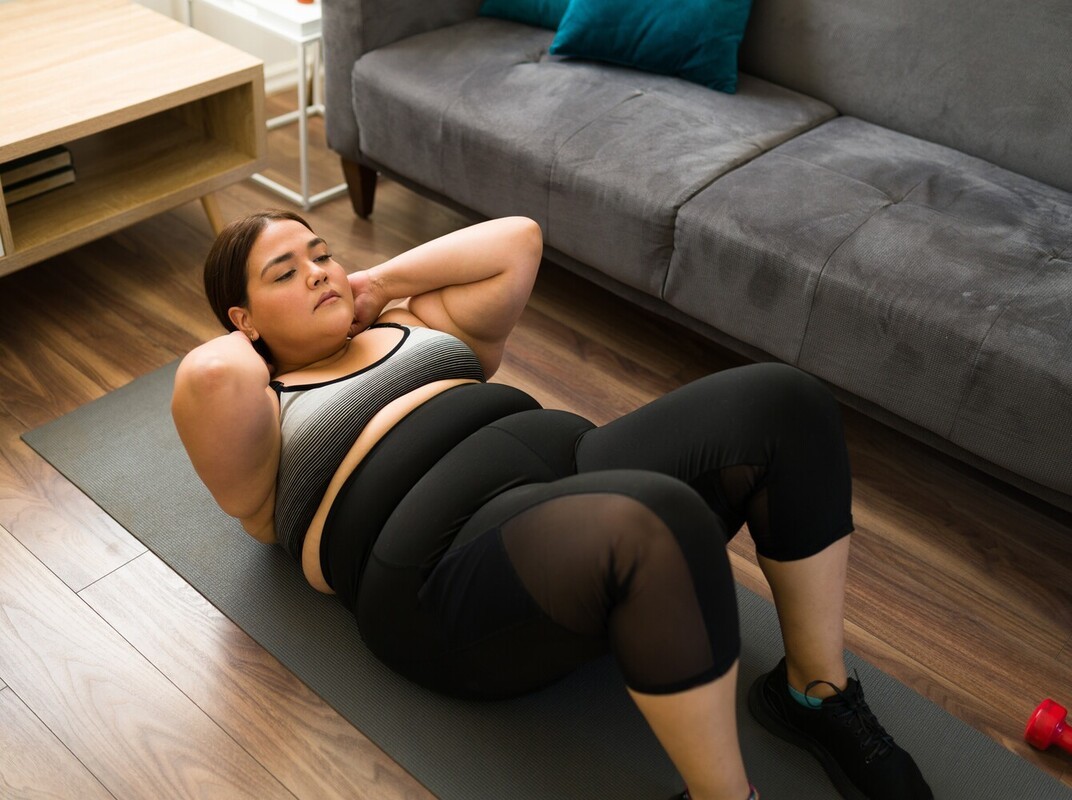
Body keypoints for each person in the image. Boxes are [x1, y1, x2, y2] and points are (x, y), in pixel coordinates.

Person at [172, 210, 932, 800]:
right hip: (432, 566)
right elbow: (209, 373)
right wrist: (268, 338)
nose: (318, 272)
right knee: (654, 519)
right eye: (285, 271)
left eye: (321, 253)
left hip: (569, 471)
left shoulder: (415, 323)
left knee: (784, 400)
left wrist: (371, 283)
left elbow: (519, 240)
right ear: (242, 320)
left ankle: (814, 692)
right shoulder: (263, 412)